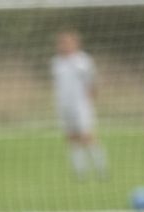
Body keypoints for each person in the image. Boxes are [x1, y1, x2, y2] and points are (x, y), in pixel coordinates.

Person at [52, 31, 106, 179]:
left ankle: (101, 169)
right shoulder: (56, 62)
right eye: (62, 43)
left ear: (75, 43)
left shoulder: (83, 61)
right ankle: (80, 172)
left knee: (87, 136)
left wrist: (91, 101)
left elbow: (92, 82)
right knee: (71, 137)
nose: (64, 46)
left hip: (81, 105)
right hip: (64, 106)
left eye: (68, 42)